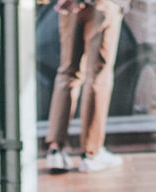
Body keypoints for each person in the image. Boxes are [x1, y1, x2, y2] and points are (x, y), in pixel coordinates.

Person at [45, 0, 126, 174]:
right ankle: (92, 152)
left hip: (70, 4)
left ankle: (56, 149)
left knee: (67, 73)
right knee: (98, 77)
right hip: (103, 4)